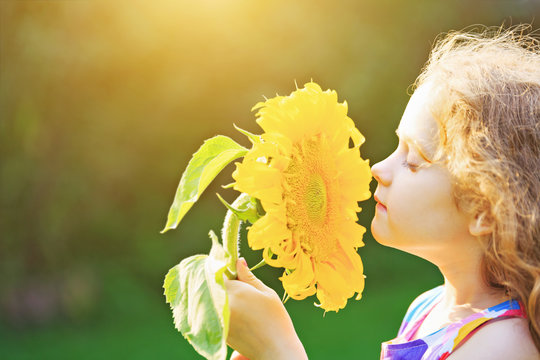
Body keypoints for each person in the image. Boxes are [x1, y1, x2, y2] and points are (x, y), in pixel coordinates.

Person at [224, 26, 540, 360]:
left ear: (483, 210)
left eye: (414, 159)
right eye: (396, 146)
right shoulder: (429, 307)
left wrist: (278, 349)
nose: (379, 168)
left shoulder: (503, 346)